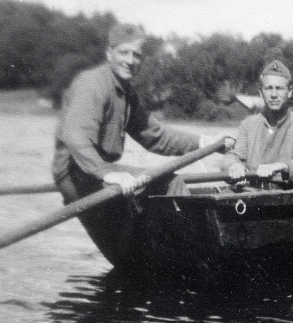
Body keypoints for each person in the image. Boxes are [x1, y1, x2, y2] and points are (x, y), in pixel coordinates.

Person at [52, 22, 202, 264]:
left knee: (171, 183)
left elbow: (155, 135)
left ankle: (186, 254)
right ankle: (182, 257)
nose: (130, 61)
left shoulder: (126, 91)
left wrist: (204, 142)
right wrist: (107, 174)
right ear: (109, 53)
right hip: (75, 174)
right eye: (123, 53)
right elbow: (75, 136)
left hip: (97, 173)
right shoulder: (92, 84)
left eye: (137, 55)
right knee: (165, 188)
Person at [221, 60, 293, 187]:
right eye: (268, 88)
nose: (273, 95)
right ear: (261, 93)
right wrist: (233, 165)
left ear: (289, 91)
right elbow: (233, 155)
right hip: (253, 194)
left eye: (279, 88)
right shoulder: (249, 125)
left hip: (287, 198)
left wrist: (283, 166)